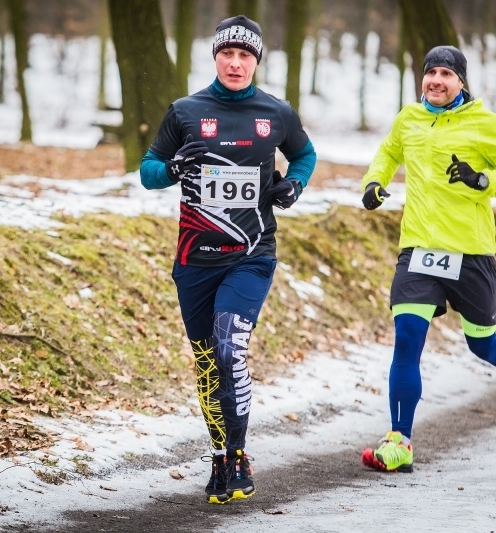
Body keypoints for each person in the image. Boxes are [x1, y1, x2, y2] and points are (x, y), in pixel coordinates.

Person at [140, 15, 316, 503]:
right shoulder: (185, 110)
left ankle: (238, 455)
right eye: (228, 54)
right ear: (215, 57)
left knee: (229, 346)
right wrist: (171, 168)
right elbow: (147, 170)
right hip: (195, 258)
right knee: (206, 364)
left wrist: (293, 184)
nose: (236, 63)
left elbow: (304, 155)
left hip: (252, 254)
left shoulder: (275, 112)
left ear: (256, 61)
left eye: (245, 55)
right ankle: (220, 455)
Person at [358, 45, 496, 473]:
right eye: (430, 73)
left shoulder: (485, 124)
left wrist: (483, 180)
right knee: (406, 339)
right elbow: (388, 153)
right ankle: (399, 439)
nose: (436, 80)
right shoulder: (409, 119)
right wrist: (374, 182)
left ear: (461, 81)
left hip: (470, 252)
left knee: (480, 342)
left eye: (446, 73)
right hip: (419, 248)